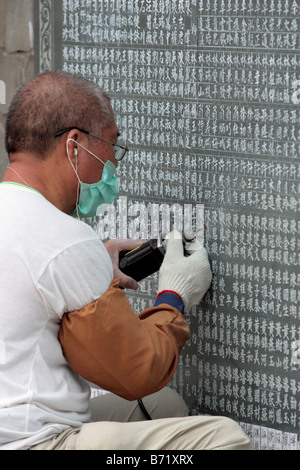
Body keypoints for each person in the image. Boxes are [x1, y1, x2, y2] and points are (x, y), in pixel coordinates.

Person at [0, 71, 252, 450]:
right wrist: (173, 295)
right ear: (74, 147)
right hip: (33, 441)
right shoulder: (62, 237)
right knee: (223, 437)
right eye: (110, 144)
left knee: (160, 406)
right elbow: (136, 371)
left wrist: (95, 268)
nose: (113, 162)